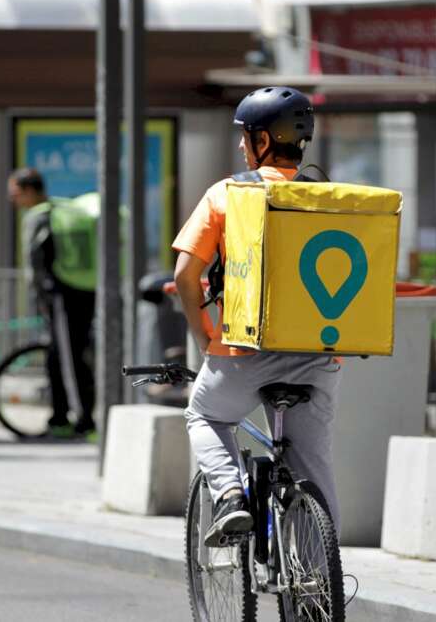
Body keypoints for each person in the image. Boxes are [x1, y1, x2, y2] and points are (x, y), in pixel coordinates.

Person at [172, 86, 342, 546]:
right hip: (319, 354)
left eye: (246, 136)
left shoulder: (227, 195)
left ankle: (228, 495)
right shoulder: (328, 198)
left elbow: (186, 276)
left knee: (204, 415)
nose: (241, 146)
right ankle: (318, 580)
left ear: (263, 140)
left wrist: (204, 335)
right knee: (313, 468)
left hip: (242, 350)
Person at [8, 168, 97, 440]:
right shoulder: (59, 208)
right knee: (60, 356)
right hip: (82, 289)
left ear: (30, 190)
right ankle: (61, 418)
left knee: (69, 358)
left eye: (16, 193)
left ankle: (85, 422)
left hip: (61, 294)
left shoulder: (38, 216)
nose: (13, 199)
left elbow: (33, 262)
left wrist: (39, 297)